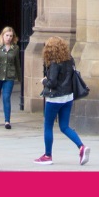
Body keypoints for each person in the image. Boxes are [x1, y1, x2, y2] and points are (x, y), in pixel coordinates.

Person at [35, 36, 90, 166]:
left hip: (55, 98)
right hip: (68, 97)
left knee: (48, 125)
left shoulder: (54, 62)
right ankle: (81, 147)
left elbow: (52, 82)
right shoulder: (69, 59)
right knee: (64, 126)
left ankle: (47, 155)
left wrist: (44, 81)